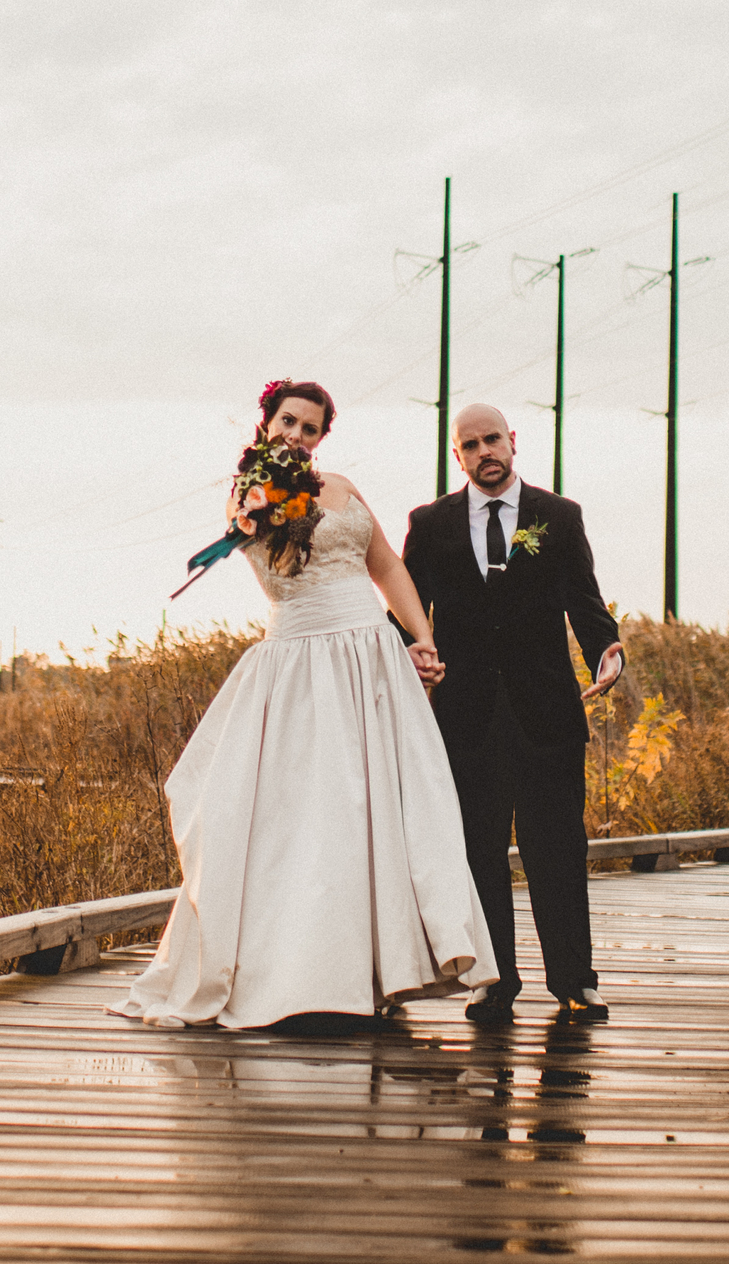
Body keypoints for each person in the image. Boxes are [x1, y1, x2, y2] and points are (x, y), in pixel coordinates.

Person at [111, 380, 498, 1028]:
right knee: (312, 813)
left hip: (372, 655)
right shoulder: (250, 498)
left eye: (310, 428)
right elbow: (276, 568)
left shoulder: (343, 488)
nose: (297, 435)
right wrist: (270, 503)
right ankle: (303, 974)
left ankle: (383, 973)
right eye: (288, 421)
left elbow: (386, 567)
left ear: (322, 437)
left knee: (386, 809)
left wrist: (420, 637)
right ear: (266, 424)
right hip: (304, 661)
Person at [402, 403, 624, 1024]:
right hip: (465, 718)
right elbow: (408, 615)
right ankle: (492, 981)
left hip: (547, 713)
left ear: (513, 441)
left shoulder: (558, 517)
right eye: (469, 445)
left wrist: (606, 649)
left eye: (491, 439)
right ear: (458, 455)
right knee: (478, 852)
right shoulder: (431, 524)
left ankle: (575, 982)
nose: (483, 453)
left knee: (557, 848)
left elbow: (584, 600)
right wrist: (411, 662)